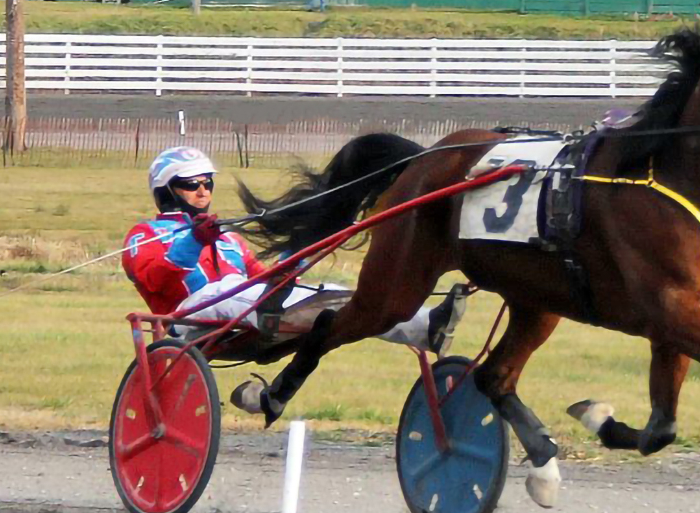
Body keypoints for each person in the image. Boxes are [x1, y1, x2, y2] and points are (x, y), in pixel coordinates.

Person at [121, 145, 465, 361]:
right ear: (166, 191)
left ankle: (425, 324)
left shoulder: (227, 238)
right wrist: (193, 241)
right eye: (191, 184)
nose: (202, 191)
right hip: (186, 321)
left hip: (242, 313)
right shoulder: (144, 235)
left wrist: (294, 261)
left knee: (329, 293)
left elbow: (261, 278)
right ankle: (273, 311)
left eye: (207, 182)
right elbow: (154, 277)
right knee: (223, 288)